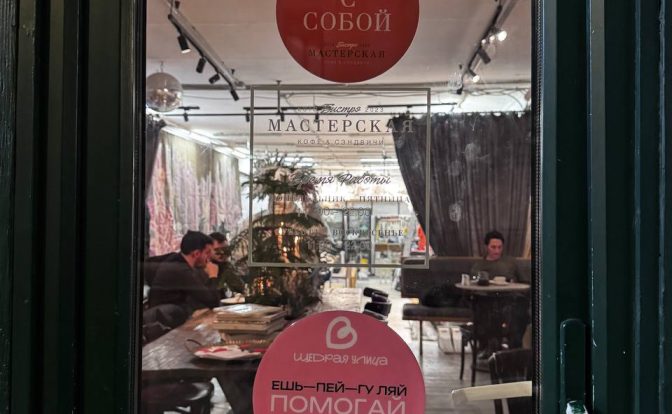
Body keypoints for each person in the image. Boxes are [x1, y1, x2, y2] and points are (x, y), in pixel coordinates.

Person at [148, 231, 221, 315]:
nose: (210, 257)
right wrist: (213, 276)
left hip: (169, 313)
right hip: (164, 318)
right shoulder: (181, 270)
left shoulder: (177, 261)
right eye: (207, 252)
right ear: (196, 253)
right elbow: (213, 302)